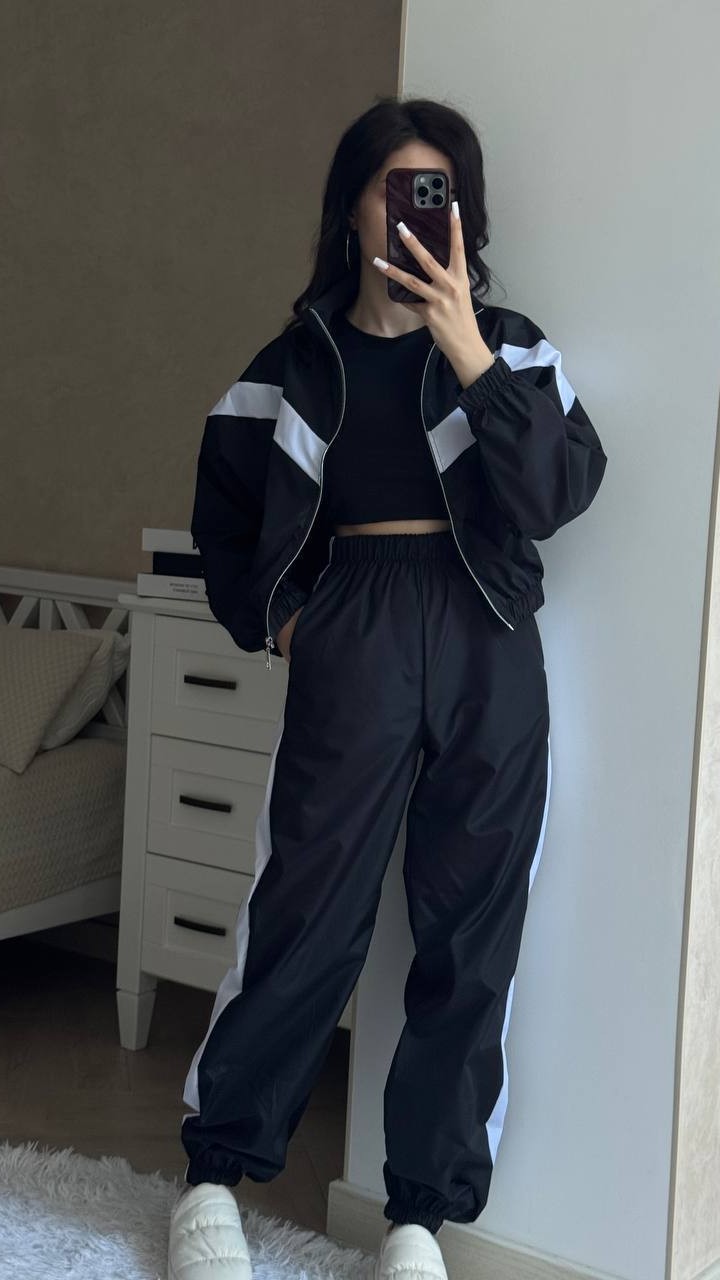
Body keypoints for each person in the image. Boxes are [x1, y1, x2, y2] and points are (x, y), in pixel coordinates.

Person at [167, 95, 608, 1280]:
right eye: (396, 186)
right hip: (352, 622)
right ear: (352, 205)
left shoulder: (509, 347)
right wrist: (283, 623)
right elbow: (223, 519)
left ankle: (419, 1215)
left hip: (486, 634)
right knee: (304, 909)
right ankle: (213, 1176)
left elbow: (557, 493)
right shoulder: (294, 364)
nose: (419, 208)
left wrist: (468, 350)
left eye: (440, 190)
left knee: (472, 930)